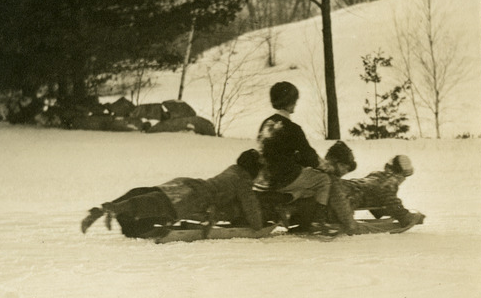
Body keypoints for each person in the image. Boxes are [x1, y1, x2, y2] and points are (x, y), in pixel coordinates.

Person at [81, 149, 265, 238]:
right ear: (253, 170)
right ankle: (115, 208)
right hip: (196, 196)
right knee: (157, 204)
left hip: (187, 183)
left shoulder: (233, 170)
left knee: (152, 195)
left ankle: (109, 208)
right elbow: (251, 208)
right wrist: (258, 225)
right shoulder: (244, 180)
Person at [253, 81, 331, 231]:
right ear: (290, 102)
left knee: (305, 183)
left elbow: (274, 152)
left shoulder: (266, 124)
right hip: (283, 178)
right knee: (322, 181)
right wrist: (325, 167)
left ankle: (288, 209)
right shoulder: (293, 129)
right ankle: (318, 222)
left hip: (263, 179)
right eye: (294, 100)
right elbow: (310, 157)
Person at [325, 152, 425, 233]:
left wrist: (381, 211)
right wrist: (405, 216)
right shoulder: (391, 181)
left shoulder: (377, 175)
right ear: (401, 174)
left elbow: (374, 193)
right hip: (350, 195)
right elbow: (390, 199)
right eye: (405, 176)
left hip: (346, 185)